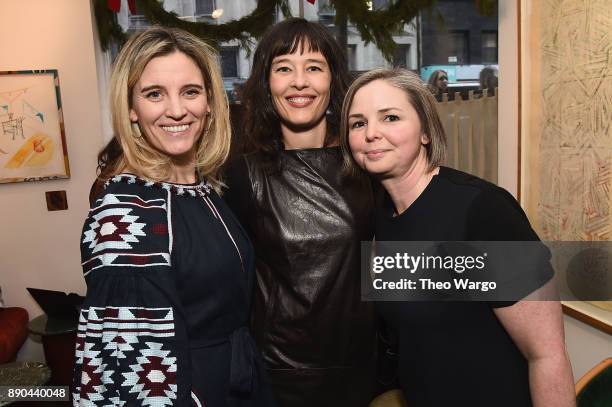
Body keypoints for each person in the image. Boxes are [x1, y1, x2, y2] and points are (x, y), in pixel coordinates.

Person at [340, 68, 576, 407]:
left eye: (390, 117)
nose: (372, 133)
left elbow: (547, 355)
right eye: (358, 123)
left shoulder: (482, 211)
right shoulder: (381, 215)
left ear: (425, 131)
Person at [73, 27, 275, 406]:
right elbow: (127, 369)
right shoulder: (126, 211)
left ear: (211, 102)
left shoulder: (204, 190)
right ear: (131, 108)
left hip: (237, 381)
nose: (177, 110)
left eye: (190, 92)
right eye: (154, 94)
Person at [223, 18, 377, 407]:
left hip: (362, 370)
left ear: (332, 79)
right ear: (266, 83)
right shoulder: (241, 175)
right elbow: (227, 281)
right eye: (283, 68)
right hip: (279, 375)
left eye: (313, 67)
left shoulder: (366, 166)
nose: (299, 82)